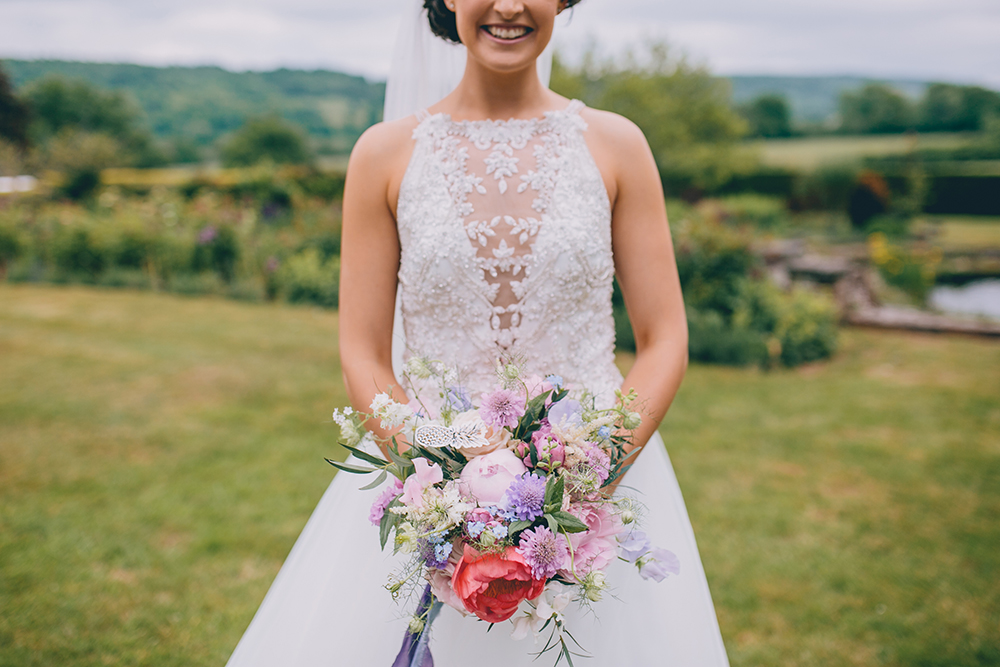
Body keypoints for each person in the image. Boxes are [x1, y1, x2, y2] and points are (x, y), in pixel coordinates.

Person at [226, 0, 731, 664]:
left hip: (597, 481)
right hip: (430, 488)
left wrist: (586, 477)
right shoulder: (383, 155)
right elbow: (363, 349)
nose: (510, 5)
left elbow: (665, 336)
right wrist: (442, 482)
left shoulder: (616, 144)